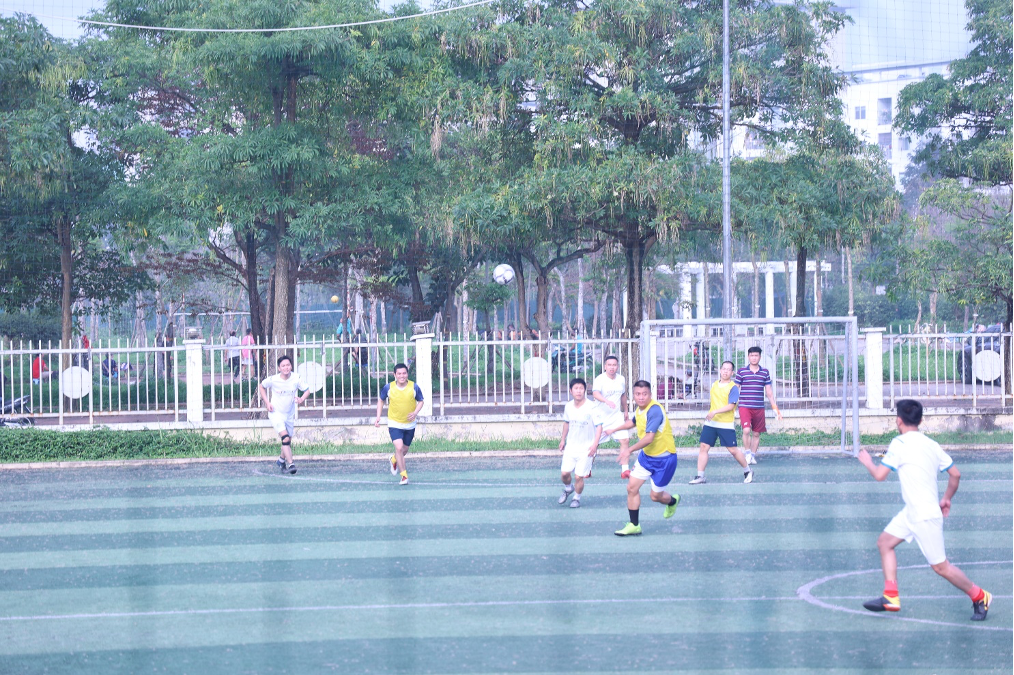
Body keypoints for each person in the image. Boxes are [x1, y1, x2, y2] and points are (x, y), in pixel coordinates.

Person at [856, 399, 991, 621]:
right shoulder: (932, 445)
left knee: (941, 567)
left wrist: (868, 462)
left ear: (898, 420)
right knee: (884, 543)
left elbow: (879, 475)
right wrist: (946, 498)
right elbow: (955, 474)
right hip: (911, 513)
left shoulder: (899, 443)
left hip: (925, 517)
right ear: (920, 421)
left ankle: (980, 596)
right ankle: (891, 597)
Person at [604, 380, 681, 536]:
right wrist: (614, 429)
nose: (641, 397)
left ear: (650, 395)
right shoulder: (640, 410)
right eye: (638, 394)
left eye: (644, 394)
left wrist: (628, 450)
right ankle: (634, 525)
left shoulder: (654, 411)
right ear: (634, 395)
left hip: (664, 460)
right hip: (646, 458)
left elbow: (649, 438)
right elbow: (632, 422)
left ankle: (673, 501)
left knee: (655, 496)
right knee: (631, 488)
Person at [690, 360, 753, 485]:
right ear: (720, 370)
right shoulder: (714, 384)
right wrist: (712, 413)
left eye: (728, 370)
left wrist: (715, 412)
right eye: (724, 369)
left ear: (732, 373)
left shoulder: (733, 388)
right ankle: (700, 476)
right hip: (711, 423)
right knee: (704, 447)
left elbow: (731, 406)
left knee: (733, 450)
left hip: (725, 424)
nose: (725, 371)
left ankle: (748, 471)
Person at [258, 355, 310, 475]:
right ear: (279, 368)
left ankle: (281, 460)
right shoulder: (274, 379)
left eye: (288, 365)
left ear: (291, 366)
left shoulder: (296, 378)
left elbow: (307, 390)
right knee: (285, 438)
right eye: (283, 366)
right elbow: (261, 386)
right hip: (275, 413)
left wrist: (301, 399)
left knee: (287, 440)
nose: (286, 368)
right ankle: (291, 464)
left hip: (289, 414)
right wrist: (267, 403)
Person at [375, 363, 424, 485]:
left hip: (409, 424)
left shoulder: (414, 387)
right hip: (394, 423)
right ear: (395, 375)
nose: (402, 376)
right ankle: (404, 476)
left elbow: (421, 401)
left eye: (404, 373)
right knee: (399, 447)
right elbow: (381, 400)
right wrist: (378, 417)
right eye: (399, 374)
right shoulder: (388, 387)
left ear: (407, 374)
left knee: (404, 450)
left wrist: (415, 412)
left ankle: (394, 459)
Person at [557, 378, 603, 509]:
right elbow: (566, 423)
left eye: (581, 388)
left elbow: (599, 427)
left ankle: (576, 498)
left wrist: (595, 445)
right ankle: (568, 488)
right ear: (571, 391)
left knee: (578, 477)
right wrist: (562, 439)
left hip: (586, 448)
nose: (578, 391)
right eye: (576, 388)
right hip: (571, 447)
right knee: (564, 474)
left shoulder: (592, 406)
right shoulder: (568, 406)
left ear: (585, 391)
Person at [734, 346, 782, 465]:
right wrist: (732, 406)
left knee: (756, 433)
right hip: (744, 406)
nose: (754, 358)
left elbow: (769, 392)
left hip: (759, 407)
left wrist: (775, 408)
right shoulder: (741, 371)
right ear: (748, 357)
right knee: (746, 430)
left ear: (760, 357)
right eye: (752, 355)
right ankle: (747, 453)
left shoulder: (765, 372)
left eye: (756, 355)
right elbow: (735, 389)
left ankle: (752, 455)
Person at [591, 355, 631, 478]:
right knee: (594, 444)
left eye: (614, 365)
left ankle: (625, 470)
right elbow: (595, 393)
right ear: (605, 366)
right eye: (609, 365)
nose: (611, 367)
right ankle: (586, 469)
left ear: (617, 366)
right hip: (601, 418)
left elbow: (623, 395)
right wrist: (606, 401)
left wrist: (625, 411)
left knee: (625, 440)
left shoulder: (621, 379)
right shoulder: (599, 379)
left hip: (616, 417)